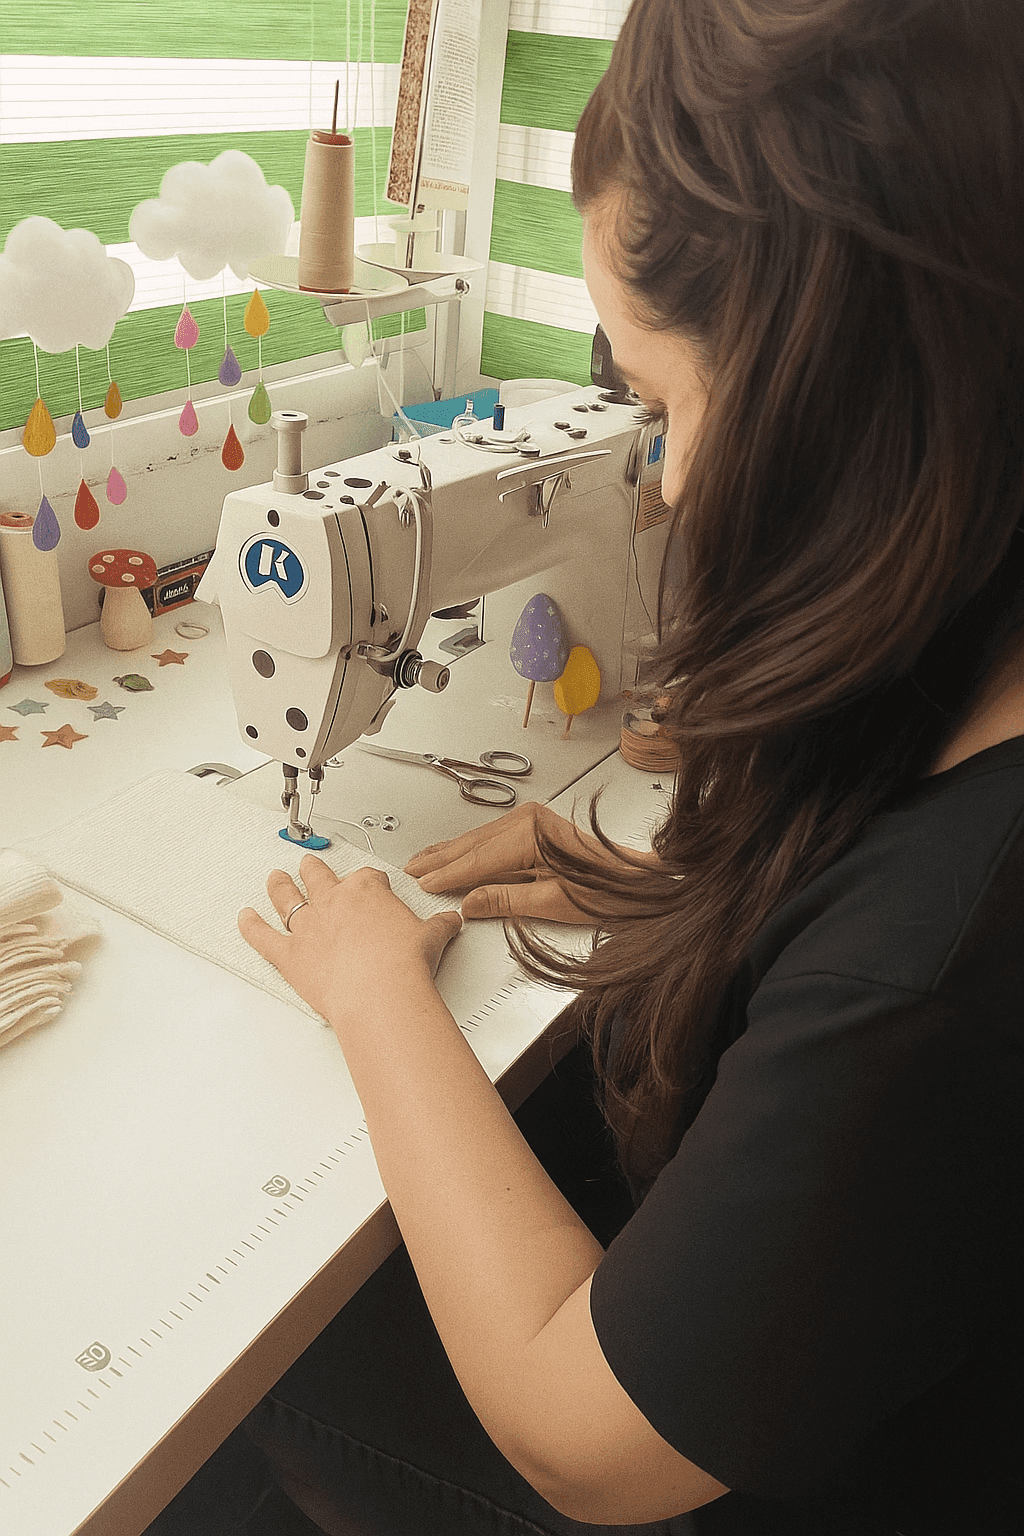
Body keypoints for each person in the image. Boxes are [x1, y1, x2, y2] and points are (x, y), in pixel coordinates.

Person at [148, 1, 1023, 1531]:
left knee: (234, 1354)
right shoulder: (966, 688)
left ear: (855, 405)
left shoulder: (940, 965)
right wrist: (680, 888)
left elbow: (581, 1439)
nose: (666, 478)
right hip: (843, 1382)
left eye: (665, 401)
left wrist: (373, 998)